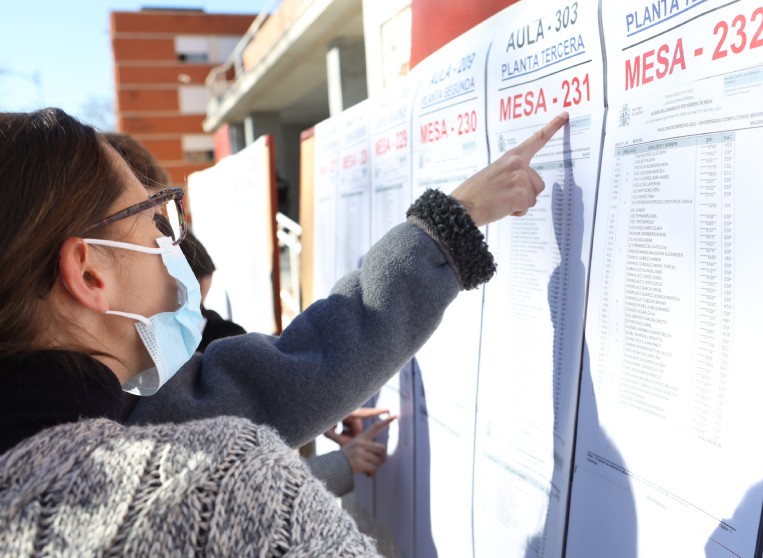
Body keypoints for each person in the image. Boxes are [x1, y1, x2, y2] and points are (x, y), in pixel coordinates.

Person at [0, 107, 567, 553]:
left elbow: (276, 377)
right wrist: (450, 224)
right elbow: (288, 375)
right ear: (89, 272)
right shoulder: (208, 483)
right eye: (155, 219)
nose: (170, 243)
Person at [105, 131, 398, 496]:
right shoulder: (112, 413)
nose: (190, 318)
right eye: (152, 222)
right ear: (89, 273)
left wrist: (305, 395)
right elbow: (224, 498)